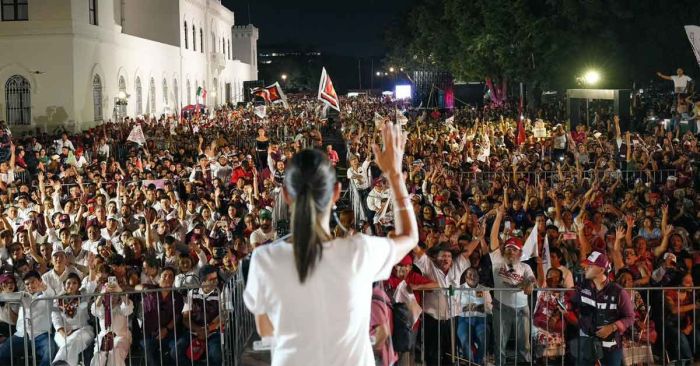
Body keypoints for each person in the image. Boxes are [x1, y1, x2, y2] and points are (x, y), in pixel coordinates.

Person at [244, 122, 418, 365]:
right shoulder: (358, 251)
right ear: (336, 192)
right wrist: (396, 176)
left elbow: (266, 330)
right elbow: (409, 236)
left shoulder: (264, 260)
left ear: (285, 195)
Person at [568, 251, 635, 366]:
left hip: (610, 345)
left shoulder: (618, 291)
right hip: (586, 343)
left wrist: (613, 327)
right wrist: (578, 323)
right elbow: (570, 306)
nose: (586, 268)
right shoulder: (582, 288)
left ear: (601, 270)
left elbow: (630, 317)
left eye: (590, 265)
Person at [489, 205, 536, 366]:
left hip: (522, 308)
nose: (510, 251)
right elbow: (494, 238)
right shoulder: (497, 260)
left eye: (514, 249)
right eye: (508, 248)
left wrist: (528, 283)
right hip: (501, 307)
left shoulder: (525, 267)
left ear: (520, 253)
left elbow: (531, 279)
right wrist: (499, 216)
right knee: (499, 343)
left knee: (524, 344)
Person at [0, 270, 57, 366]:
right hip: (21, 335)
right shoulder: (23, 295)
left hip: (41, 335)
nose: (30, 285)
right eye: (27, 284)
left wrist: (45, 288)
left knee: (50, 352)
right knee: (2, 353)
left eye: (33, 282)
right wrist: (5, 291)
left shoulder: (47, 295)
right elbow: (4, 297)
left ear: (40, 281)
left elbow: (52, 295)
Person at [51, 273, 94, 366]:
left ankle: (58, 363)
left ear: (78, 285)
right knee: (68, 344)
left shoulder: (83, 297)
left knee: (72, 342)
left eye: (74, 283)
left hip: (83, 330)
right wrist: (62, 332)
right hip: (62, 332)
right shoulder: (57, 300)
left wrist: (92, 269)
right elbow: (55, 317)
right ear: (64, 285)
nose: (71, 285)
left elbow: (91, 285)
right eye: (68, 283)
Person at [456, 267, 491, 365]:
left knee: (483, 338)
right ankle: (471, 362)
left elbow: (490, 306)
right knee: (465, 340)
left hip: (480, 319)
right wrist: (465, 308)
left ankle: (479, 362)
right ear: (466, 277)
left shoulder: (484, 289)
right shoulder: (459, 289)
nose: (472, 277)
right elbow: (453, 306)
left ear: (478, 277)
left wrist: (481, 307)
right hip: (464, 319)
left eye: (475, 275)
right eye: (470, 275)